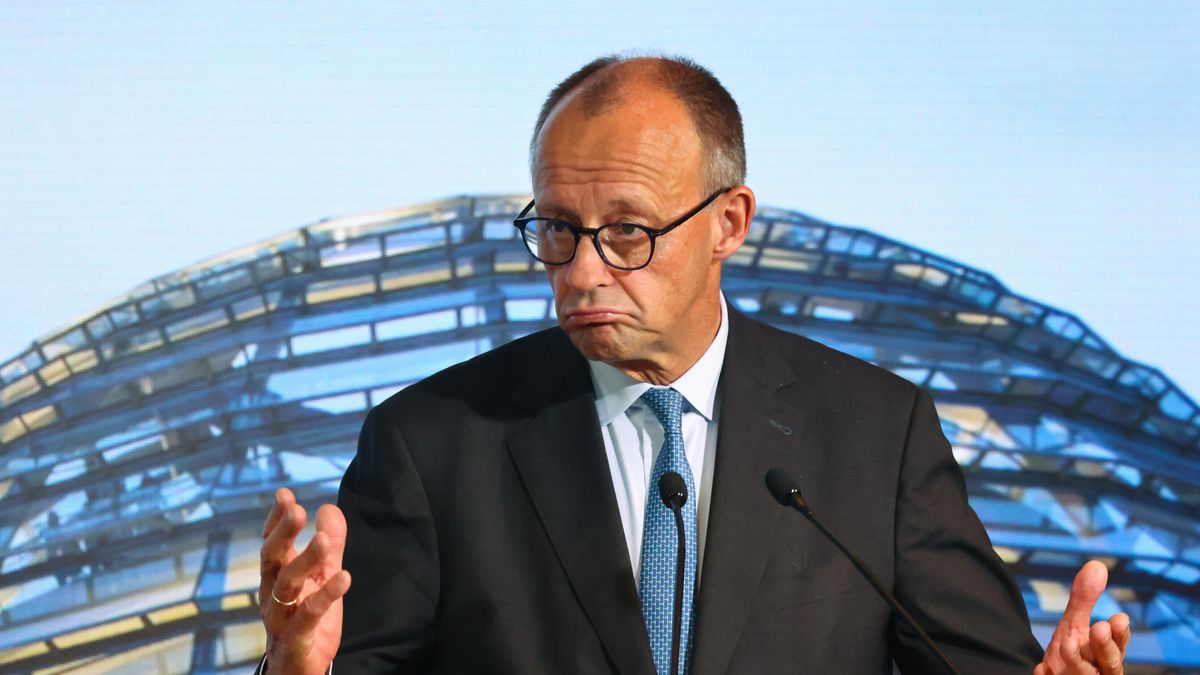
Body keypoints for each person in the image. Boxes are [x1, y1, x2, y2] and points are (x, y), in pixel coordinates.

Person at [257, 54, 1132, 674]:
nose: (582, 271)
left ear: (729, 223)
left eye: (627, 232)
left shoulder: (878, 436)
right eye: (557, 228)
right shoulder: (431, 444)